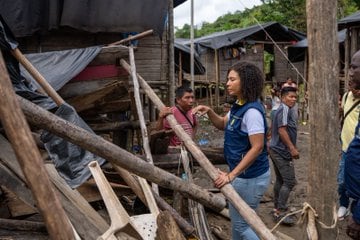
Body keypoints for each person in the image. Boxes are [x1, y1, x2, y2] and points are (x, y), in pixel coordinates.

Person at [192, 61, 270, 240]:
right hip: (243, 175)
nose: (227, 83)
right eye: (228, 79)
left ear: (246, 82)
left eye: (232, 79)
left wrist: (231, 175)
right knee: (239, 223)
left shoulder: (252, 113)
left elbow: (257, 147)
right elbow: (222, 123)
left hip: (251, 177)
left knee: (242, 226)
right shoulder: (238, 105)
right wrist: (210, 111)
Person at [269, 86, 299, 225]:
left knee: (280, 180)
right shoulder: (285, 109)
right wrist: (292, 148)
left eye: (295, 97)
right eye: (290, 96)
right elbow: (282, 130)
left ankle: (277, 207)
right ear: (283, 97)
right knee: (289, 181)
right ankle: (280, 211)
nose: (293, 99)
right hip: (281, 151)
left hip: (275, 149)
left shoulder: (280, 109)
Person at [338, 50, 360, 220]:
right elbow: (342, 116)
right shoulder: (346, 97)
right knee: (343, 181)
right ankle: (344, 205)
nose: (349, 73)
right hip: (347, 148)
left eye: (354, 68)